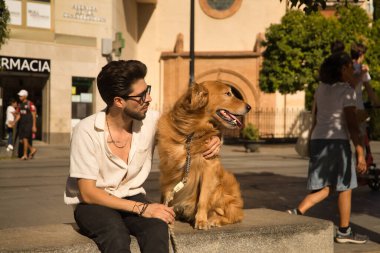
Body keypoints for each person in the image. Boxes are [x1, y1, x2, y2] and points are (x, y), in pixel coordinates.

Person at [64, 60, 221, 253]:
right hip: (93, 204)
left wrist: (215, 138)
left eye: (148, 90)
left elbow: (189, 129)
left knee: (157, 227)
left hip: (133, 194)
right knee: (116, 235)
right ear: (119, 101)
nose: (149, 98)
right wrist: (142, 208)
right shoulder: (86, 131)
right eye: (141, 96)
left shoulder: (153, 121)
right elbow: (88, 192)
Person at [287, 52, 368, 244]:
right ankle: (344, 231)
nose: (352, 71)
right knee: (345, 186)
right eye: (350, 68)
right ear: (342, 69)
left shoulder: (320, 89)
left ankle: (296, 212)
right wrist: (360, 152)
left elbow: (316, 117)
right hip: (336, 142)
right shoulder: (346, 91)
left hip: (319, 140)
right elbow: (351, 124)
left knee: (328, 187)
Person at [17, 89, 37, 160]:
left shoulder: (30, 104)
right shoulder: (20, 105)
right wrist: (14, 122)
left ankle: (25, 155)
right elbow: (19, 115)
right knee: (22, 140)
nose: (19, 97)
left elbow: (34, 114)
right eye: (19, 96)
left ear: (25, 96)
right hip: (22, 124)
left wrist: (34, 125)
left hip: (28, 124)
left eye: (21, 96)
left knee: (25, 139)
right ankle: (32, 149)